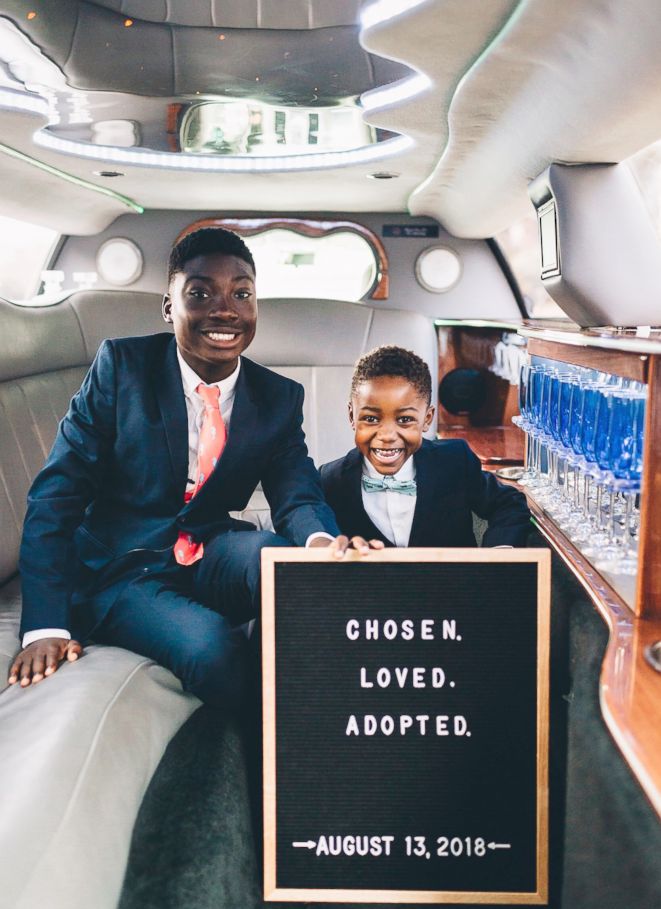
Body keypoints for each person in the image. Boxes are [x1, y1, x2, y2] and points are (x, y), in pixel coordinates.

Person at [9, 227, 377, 705]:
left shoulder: (277, 397)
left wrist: (322, 546)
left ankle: (329, 713)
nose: (224, 309)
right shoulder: (121, 368)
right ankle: (238, 757)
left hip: (207, 552)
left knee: (281, 562)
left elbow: (298, 493)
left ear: (255, 306)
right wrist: (44, 626)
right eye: (200, 293)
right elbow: (56, 496)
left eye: (241, 293)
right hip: (123, 572)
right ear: (169, 307)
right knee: (212, 648)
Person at [320, 345, 531, 548]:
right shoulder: (329, 481)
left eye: (404, 420)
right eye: (371, 419)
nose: (386, 435)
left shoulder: (454, 461)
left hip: (454, 585)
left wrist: (497, 556)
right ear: (352, 417)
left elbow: (509, 504)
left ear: (427, 418)